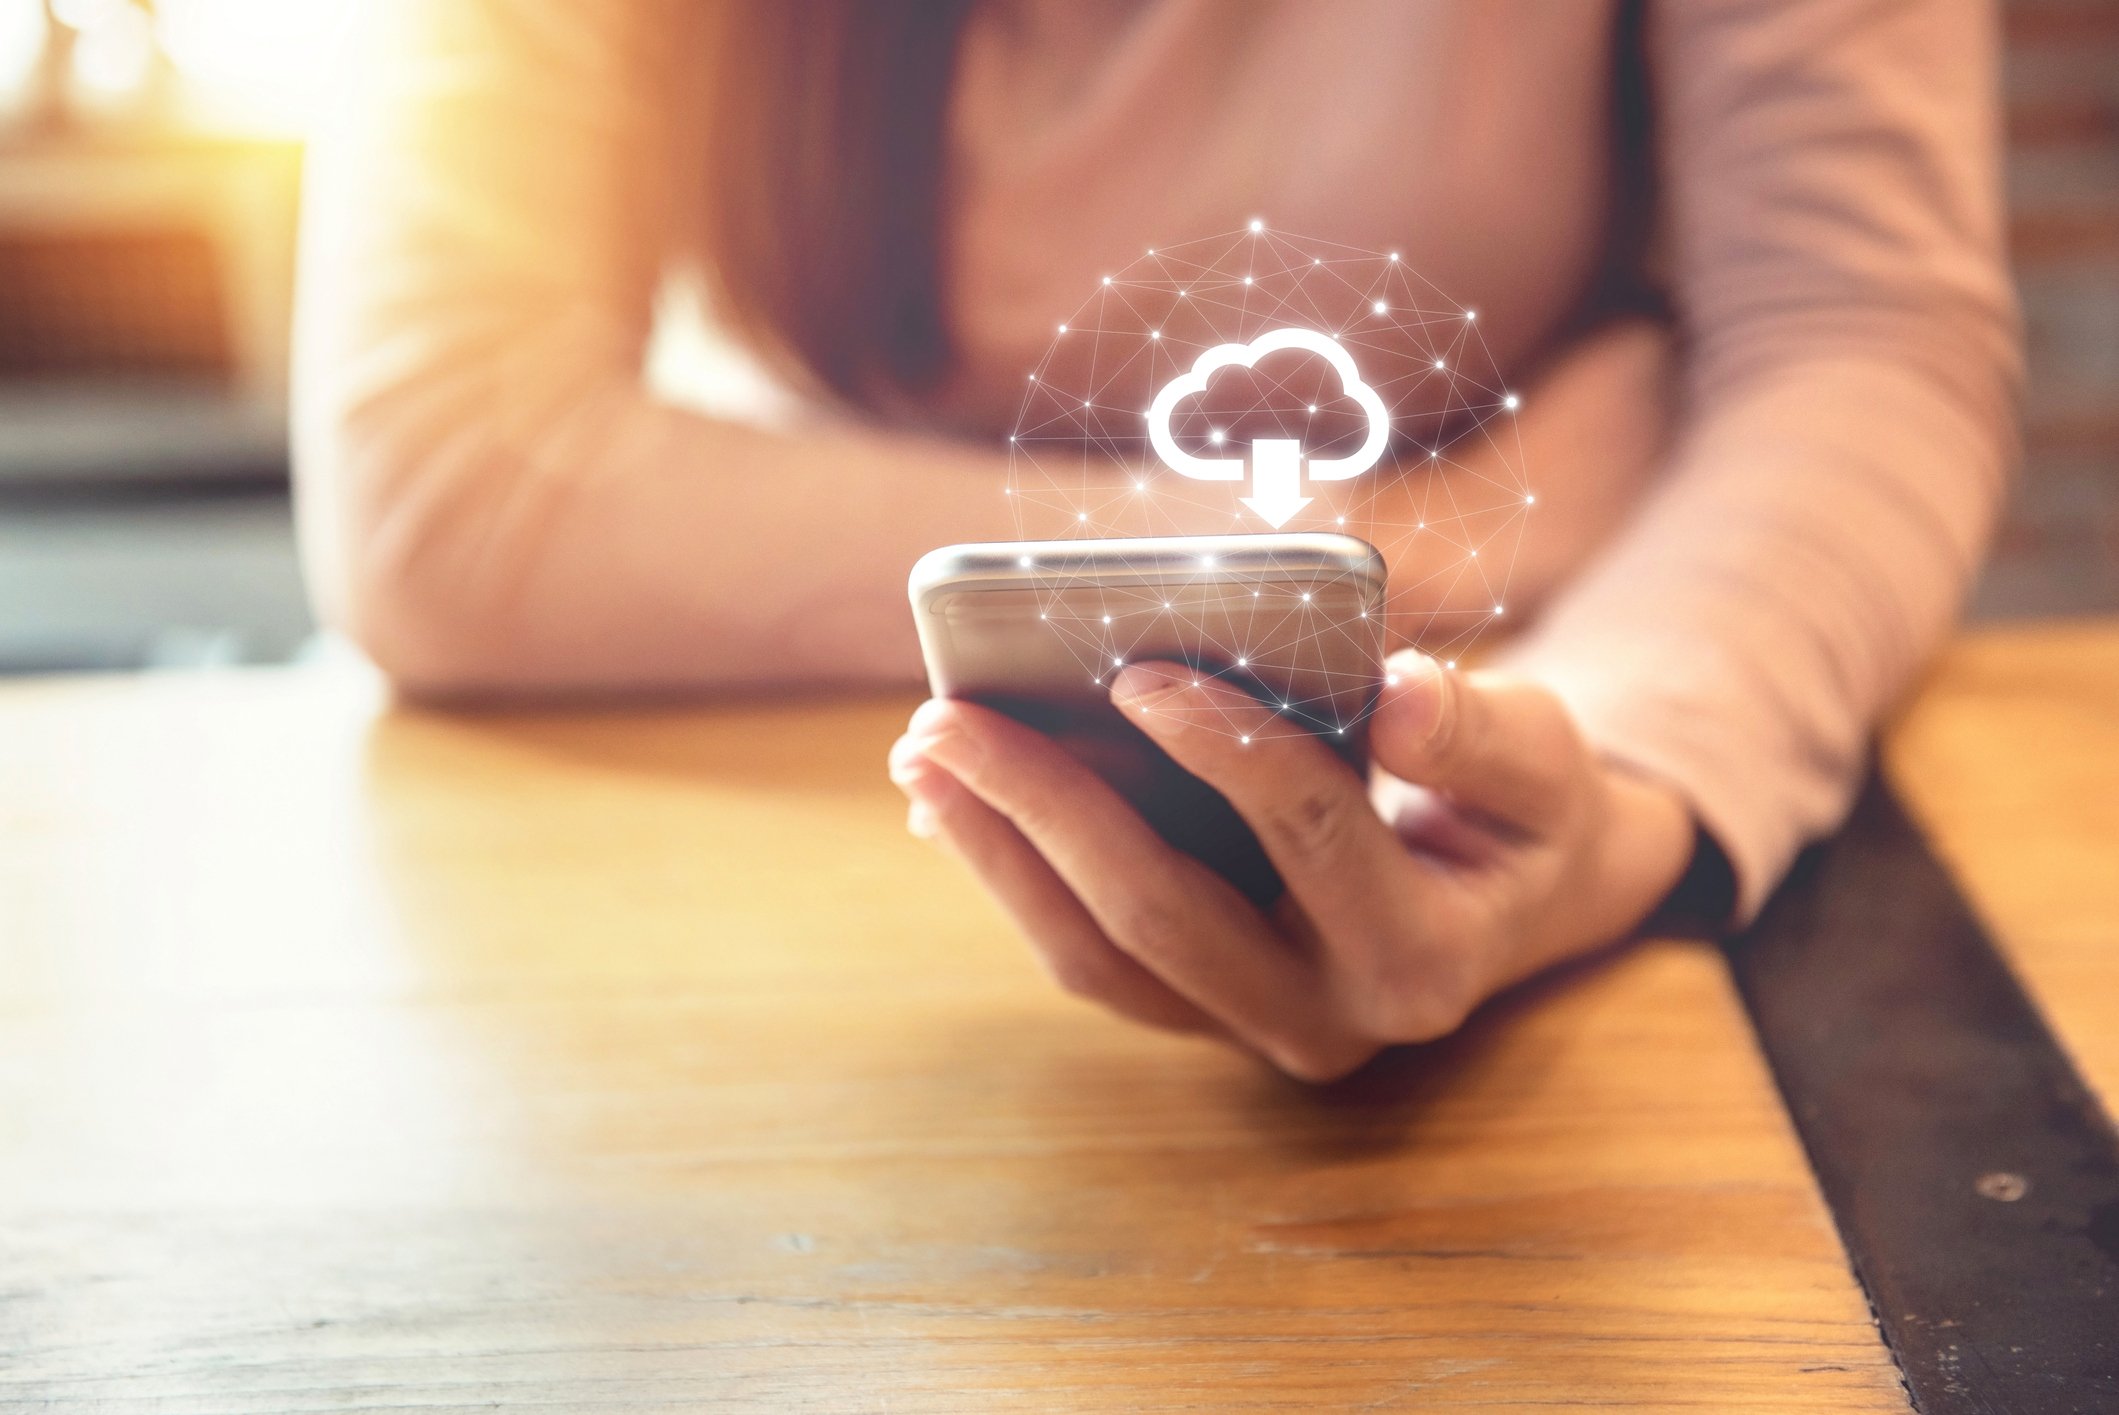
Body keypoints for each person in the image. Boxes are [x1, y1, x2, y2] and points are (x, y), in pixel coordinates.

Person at [295, 1, 2020, 1080]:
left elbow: (1861, 334)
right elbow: (439, 478)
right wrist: (1388, 543)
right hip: (736, 906)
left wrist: (1630, 792)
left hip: (1541, 720)